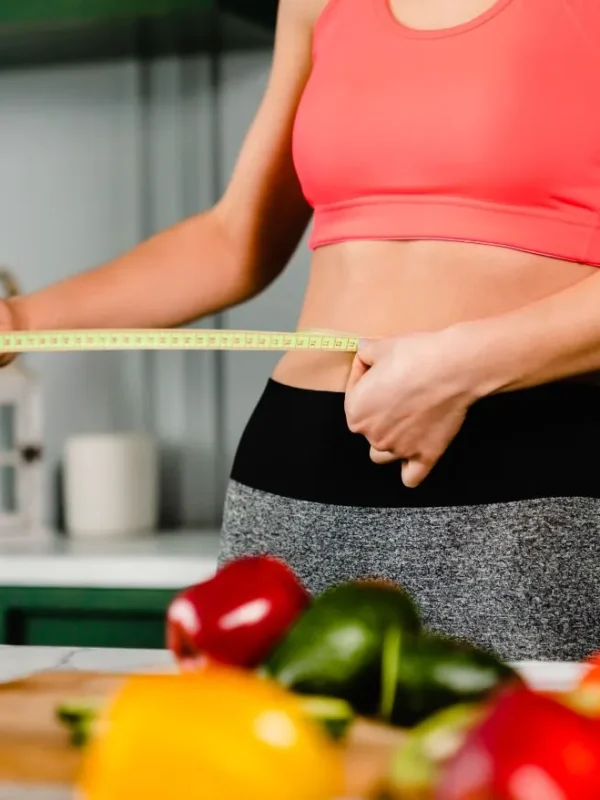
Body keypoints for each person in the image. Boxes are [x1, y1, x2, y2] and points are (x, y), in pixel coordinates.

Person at [4, 0, 600, 662]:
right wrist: (21, 320)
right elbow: (234, 241)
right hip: (292, 477)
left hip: (528, 482)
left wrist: (464, 365)